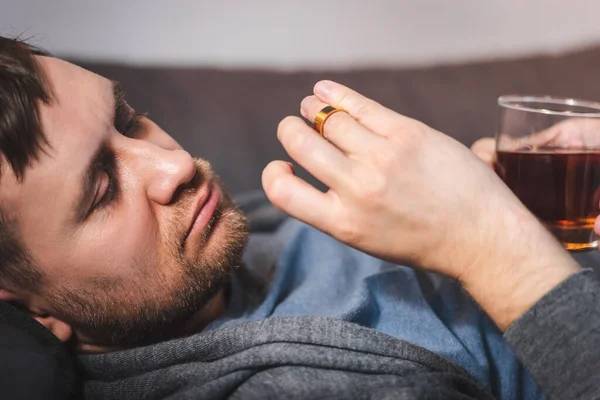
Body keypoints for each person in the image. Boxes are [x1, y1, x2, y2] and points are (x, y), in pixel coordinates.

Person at [0, 35, 597, 399]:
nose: (172, 164)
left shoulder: (251, 234)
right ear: (29, 308)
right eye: (103, 191)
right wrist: (489, 242)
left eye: (128, 120)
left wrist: (515, 218)